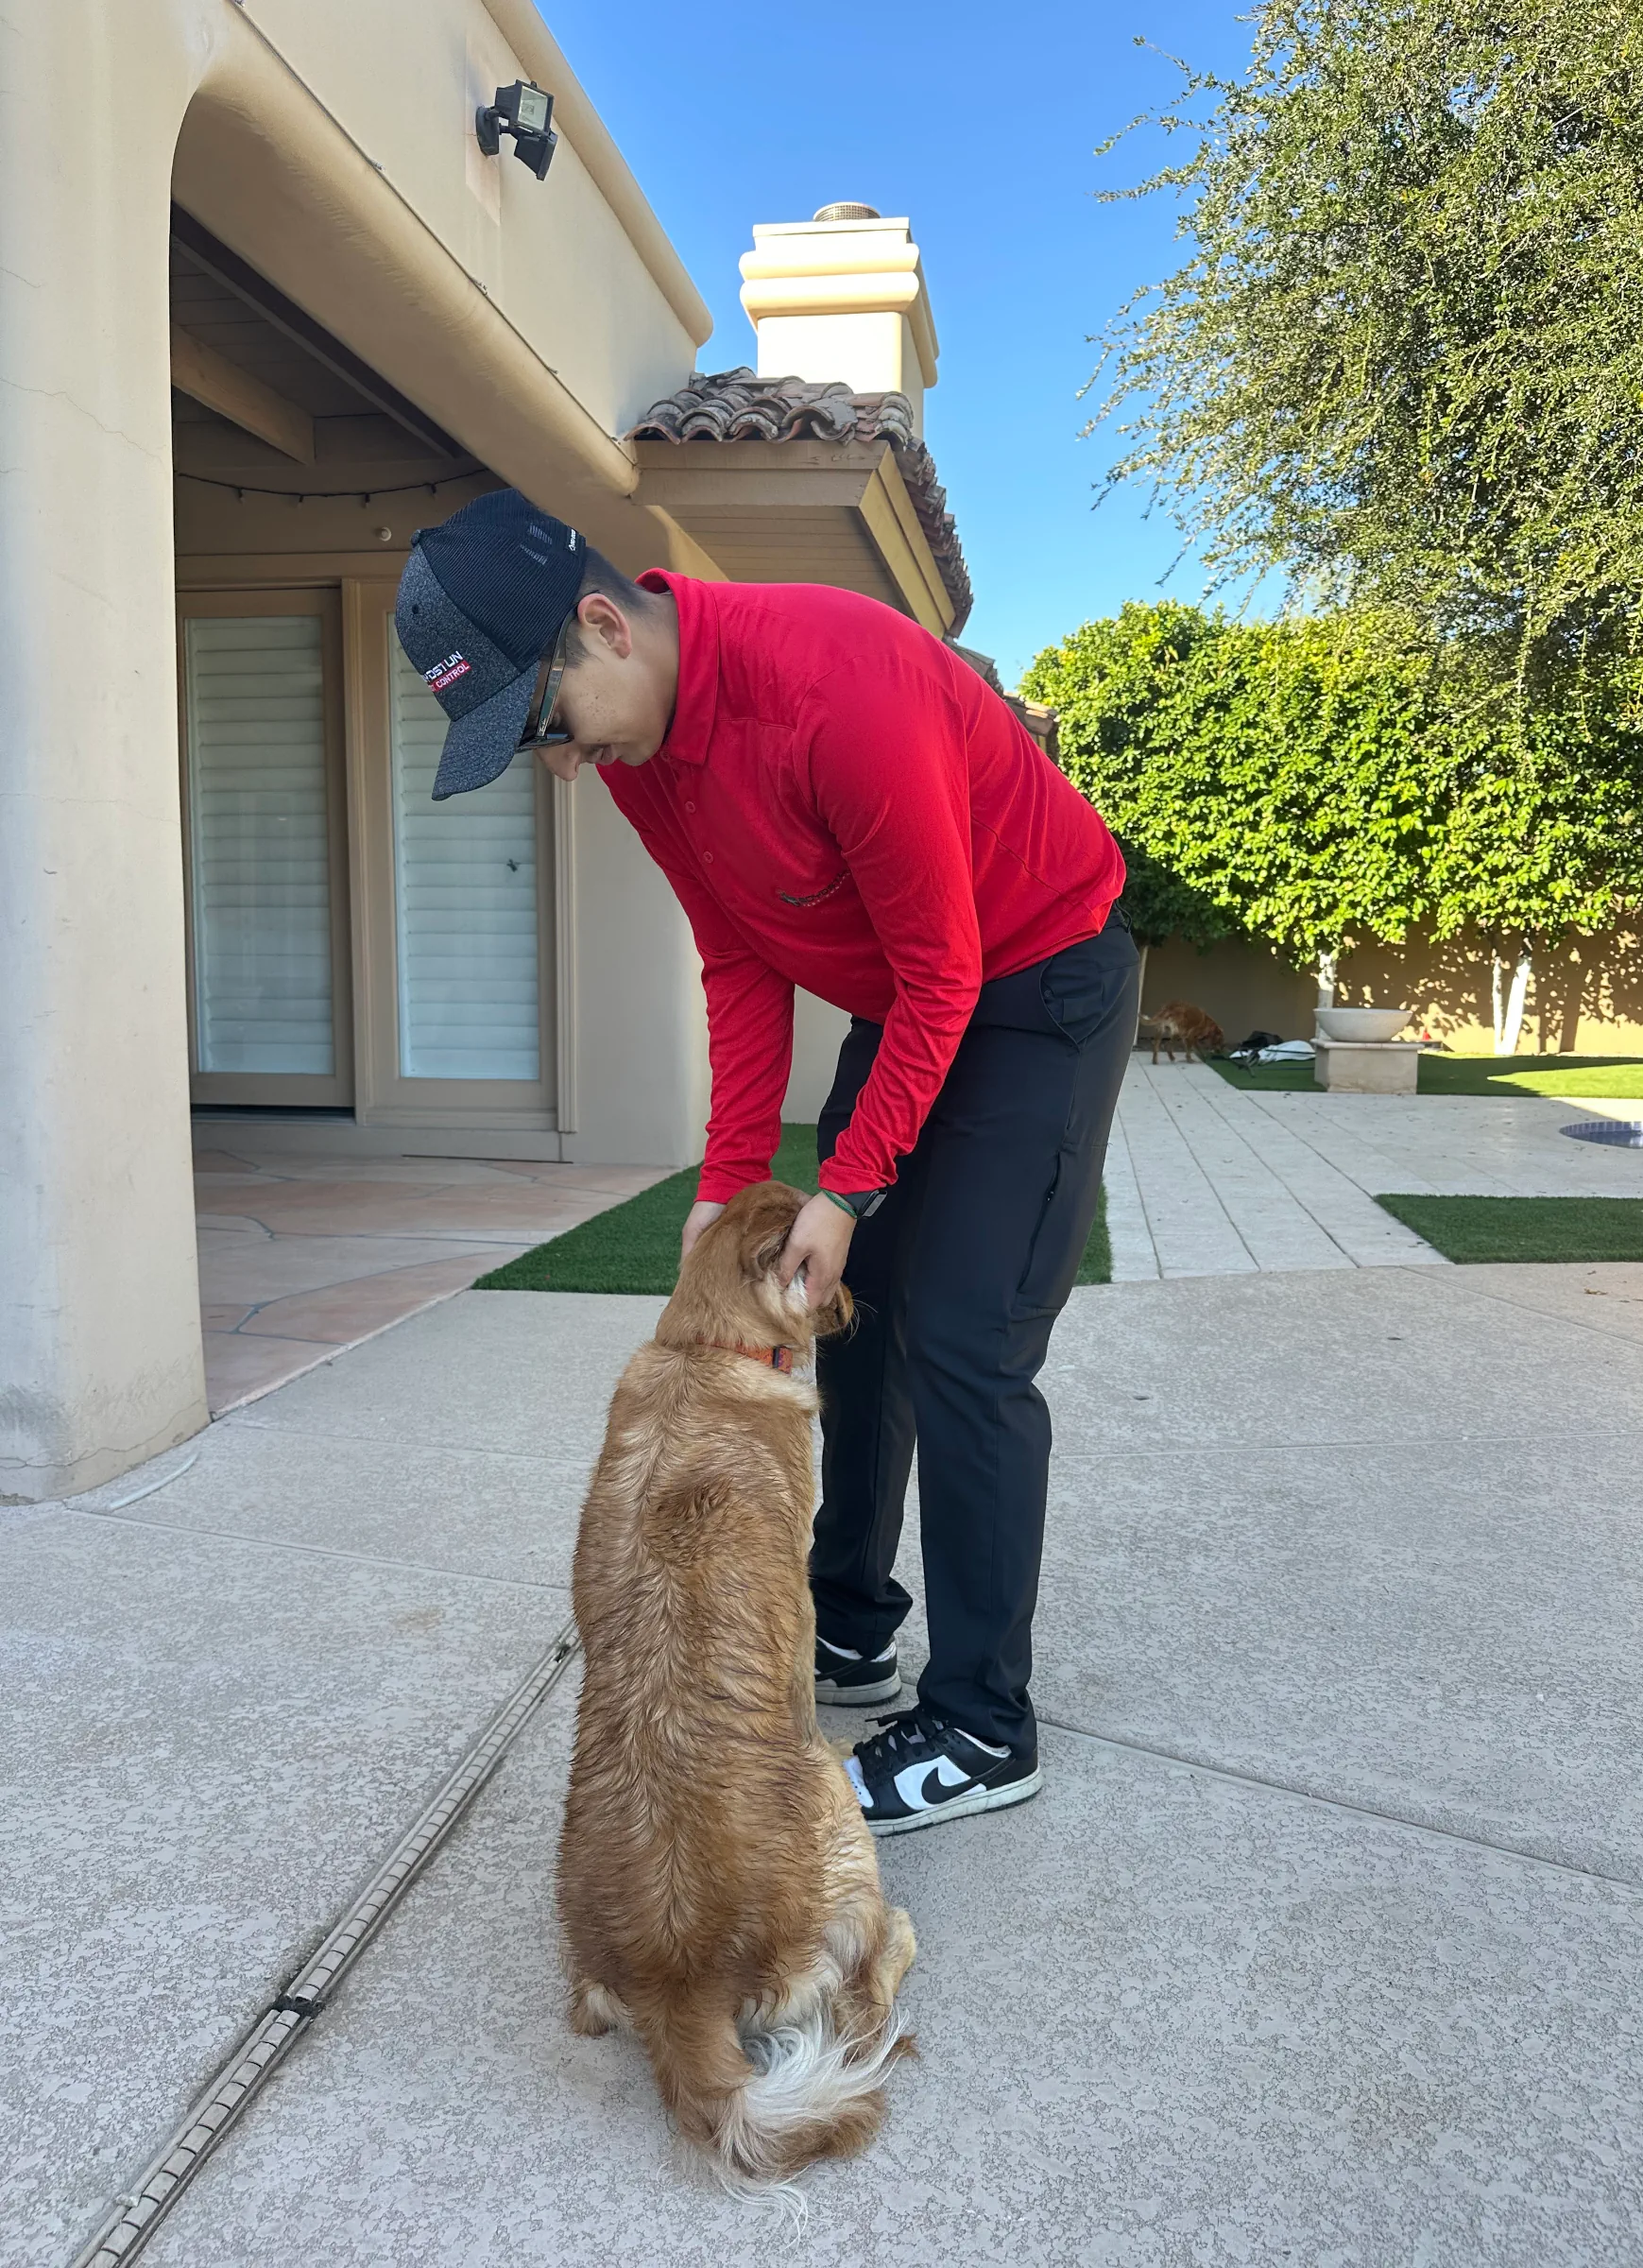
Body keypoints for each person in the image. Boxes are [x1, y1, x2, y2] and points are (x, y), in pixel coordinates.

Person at [398, 489, 1138, 1835]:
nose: (559, 764)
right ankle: (850, 1623)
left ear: (604, 626)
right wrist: (729, 1186)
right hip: (912, 998)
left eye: (547, 724)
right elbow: (740, 959)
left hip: (1038, 983)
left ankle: (984, 1727)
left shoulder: (835, 686)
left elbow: (947, 972)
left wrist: (847, 1187)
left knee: (965, 1339)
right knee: (843, 1313)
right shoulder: (642, 754)